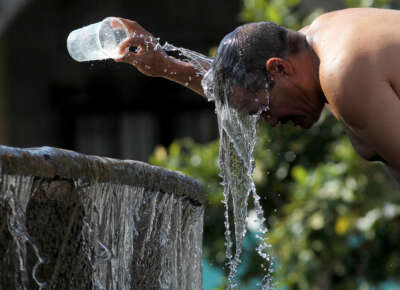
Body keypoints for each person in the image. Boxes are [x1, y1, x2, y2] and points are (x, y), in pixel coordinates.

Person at [114, 7, 400, 183]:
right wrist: (166, 66)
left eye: (262, 109)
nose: (271, 121)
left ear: (278, 68)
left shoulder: (342, 75)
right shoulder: (318, 39)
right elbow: (238, 86)